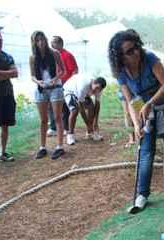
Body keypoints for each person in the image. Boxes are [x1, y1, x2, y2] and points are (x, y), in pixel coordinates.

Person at [108, 29, 164, 210]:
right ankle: (142, 194)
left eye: (136, 47)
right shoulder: (121, 73)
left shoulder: (150, 59)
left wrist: (150, 104)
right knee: (146, 153)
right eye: (129, 51)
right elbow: (132, 100)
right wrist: (137, 124)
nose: (136, 52)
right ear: (120, 57)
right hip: (146, 114)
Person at [29, 31, 66, 160]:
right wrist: (38, 81)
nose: (41, 42)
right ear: (34, 42)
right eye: (37, 40)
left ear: (45, 39)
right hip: (41, 88)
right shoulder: (33, 57)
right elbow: (32, 75)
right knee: (43, 120)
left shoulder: (54, 53)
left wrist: (55, 79)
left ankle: (60, 146)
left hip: (55, 87)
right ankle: (42, 147)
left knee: (57, 117)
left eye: (42, 39)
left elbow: (63, 70)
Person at [0, 29, 18, 164]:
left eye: (0, 40)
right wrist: (6, 74)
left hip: (7, 94)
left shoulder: (7, 56)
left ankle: (2, 152)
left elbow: (15, 73)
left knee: (5, 125)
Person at [47, 36, 79, 137]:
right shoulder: (51, 55)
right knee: (51, 106)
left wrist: (71, 84)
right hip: (53, 83)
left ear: (60, 44)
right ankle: (53, 127)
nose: (52, 45)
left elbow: (75, 71)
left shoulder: (67, 55)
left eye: (54, 43)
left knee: (65, 107)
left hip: (65, 85)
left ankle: (66, 128)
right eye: (51, 43)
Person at [63, 74, 106, 145]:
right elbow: (81, 109)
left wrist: (96, 122)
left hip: (83, 94)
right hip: (70, 91)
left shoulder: (99, 89)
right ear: (93, 83)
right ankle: (70, 135)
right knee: (74, 110)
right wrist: (88, 124)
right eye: (96, 88)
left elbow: (97, 106)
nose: (97, 91)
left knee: (91, 107)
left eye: (99, 89)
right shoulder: (83, 86)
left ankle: (90, 133)